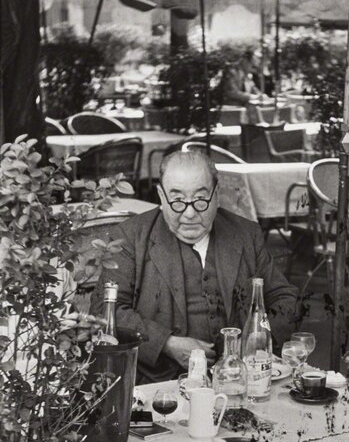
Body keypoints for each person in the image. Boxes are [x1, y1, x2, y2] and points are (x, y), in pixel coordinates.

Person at [90, 150, 298, 384]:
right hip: (157, 382)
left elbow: (285, 299)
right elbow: (104, 311)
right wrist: (166, 343)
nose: (189, 214)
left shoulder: (245, 234)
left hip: (238, 379)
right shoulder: (130, 237)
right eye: (177, 201)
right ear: (161, 196)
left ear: (216, 195)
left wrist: (254, 340)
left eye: (200, 200)